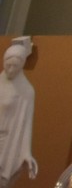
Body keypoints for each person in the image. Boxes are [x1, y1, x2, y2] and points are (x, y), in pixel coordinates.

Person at [0, 37, 36, 188]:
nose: (10, 70)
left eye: (15, 66)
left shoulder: (26, 91)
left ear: (21, 66)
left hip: (6, 141)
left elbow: (26, 124)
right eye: (8, 65)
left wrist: (25, 152)